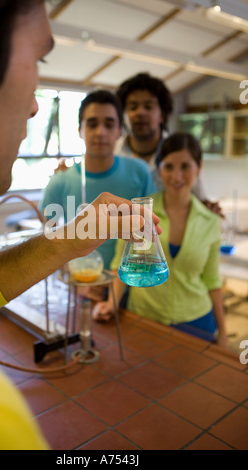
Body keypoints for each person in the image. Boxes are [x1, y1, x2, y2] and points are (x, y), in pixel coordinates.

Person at [0, 0, 161, 450]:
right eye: (39, 60)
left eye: (109, 123)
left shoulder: (139, 174)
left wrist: (62, 244)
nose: (32, 108)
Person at [93, 132, 228, 349]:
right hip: (145, 318)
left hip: (197, 323)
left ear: (199, 167)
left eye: (185, 166)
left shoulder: (211, 221)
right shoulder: (139, 212)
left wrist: (223, 332)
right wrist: (111, 304)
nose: (176, 176)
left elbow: (212, 280)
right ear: (160, 170)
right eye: (169, 167)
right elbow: (121, 264)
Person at [39, 89, 156, 272]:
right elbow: (46, 242)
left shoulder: (139, 172)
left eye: (109, 125)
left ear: (120, 131)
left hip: (131, 283)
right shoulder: (60, 181)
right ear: (80, 130)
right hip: (81, 285)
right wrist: (73, 273)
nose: (101, 132)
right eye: (92, 124)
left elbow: (154, 230)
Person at [115, 72, 223, 216]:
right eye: (133, 107)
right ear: (124, 114)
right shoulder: (114, 155)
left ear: (162, 114)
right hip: (127, 234)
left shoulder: (181, 153)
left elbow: (199, 200)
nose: (140, 112)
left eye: (148, 106)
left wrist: (208, 208)